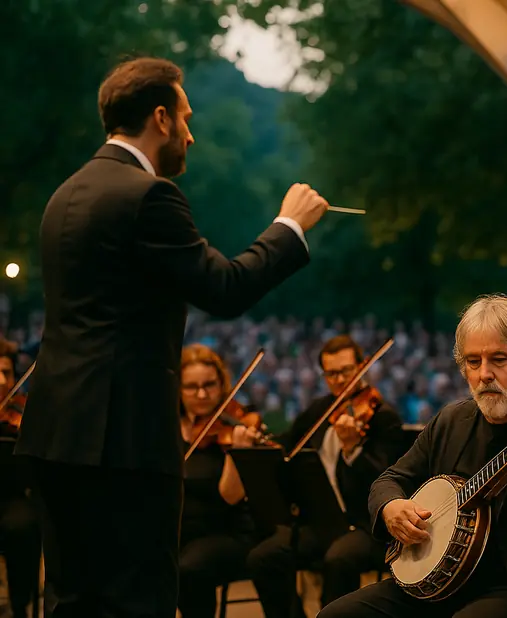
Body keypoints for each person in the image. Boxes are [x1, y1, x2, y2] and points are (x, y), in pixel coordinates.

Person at [14, 56, 330, 617]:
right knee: (140, 602)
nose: (191, 132)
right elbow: (224, 290)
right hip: (124, 443)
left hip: (54, 435)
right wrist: (289, 226)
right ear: (160, 118)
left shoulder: (64, 196)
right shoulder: (148, 196)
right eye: (185, 117)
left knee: (71, 601)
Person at [317, 294, 507, 618]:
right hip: (444, 585)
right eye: (473, 362)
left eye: (499, 359)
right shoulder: (451, 421)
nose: (484, 374)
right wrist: (391, 507)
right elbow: (389, 480)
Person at [246, 335, 405, 617]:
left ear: (363, 366)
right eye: (331, 374)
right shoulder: (319, 410)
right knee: (265, 557)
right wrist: (258, 440)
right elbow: (286, 445)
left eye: (347, 371)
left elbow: (384, 482)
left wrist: (353, 449)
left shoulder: (383, 418)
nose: (340, 380)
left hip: (365, 525)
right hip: (323, 521)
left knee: (339, 558)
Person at [176, 344, 259, 618]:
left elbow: (230, 496)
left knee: (189, 567)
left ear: (222, 384)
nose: (201, 394)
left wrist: (238, 453)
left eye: (209, 385)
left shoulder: (233, 428)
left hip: (225, 533)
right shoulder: (166, 427)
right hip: (179, 531)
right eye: (191, 387)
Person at [0, 352, 42, 618]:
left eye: (7, 373)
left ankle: (20, 605)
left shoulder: (20, 413)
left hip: (11, 497)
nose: (1, 380)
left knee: (23, 526)